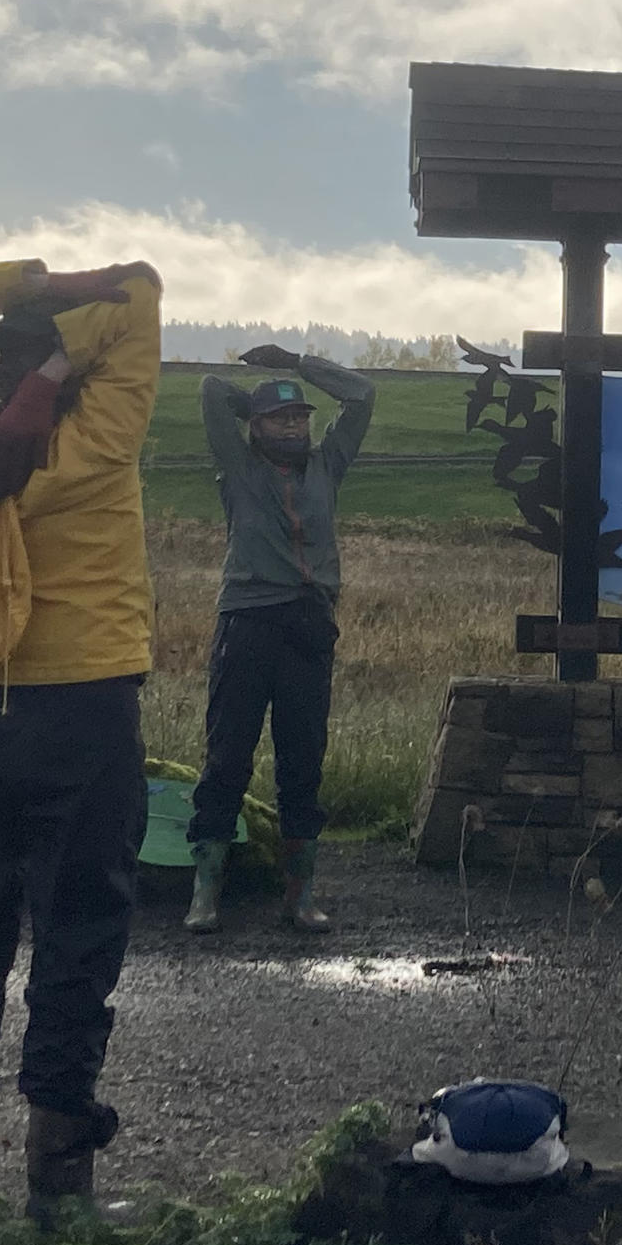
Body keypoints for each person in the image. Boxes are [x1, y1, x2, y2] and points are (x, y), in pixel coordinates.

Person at [0, 258, 161, 1235]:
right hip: (88, 713)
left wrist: (41, 280)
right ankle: (59, 1186)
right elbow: (141, 296)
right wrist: (72, 346)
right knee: (76, 941)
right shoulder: (98, 440)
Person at [183, 346, 375, 933]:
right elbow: (213, 389)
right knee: (227, 759)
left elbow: (362, 395)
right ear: (256, 428)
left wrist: (297, 363)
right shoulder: (239, 468)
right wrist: (255, 404)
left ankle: (300, 894)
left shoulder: (327, 465)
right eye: (279, 419)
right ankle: (204, 894)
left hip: (309, 627)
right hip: (248, 622)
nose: (293, 426)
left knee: (303, 760)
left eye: (299, 418)